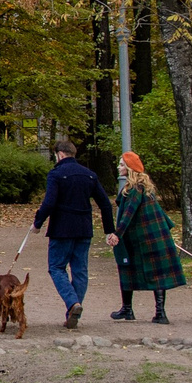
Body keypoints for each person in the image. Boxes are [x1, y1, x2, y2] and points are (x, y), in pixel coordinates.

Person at [32, 137, 116, 328]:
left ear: (60, 154)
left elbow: (49, 202)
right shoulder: (90, 175)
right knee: (80, 271)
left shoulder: (56, 174)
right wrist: (109, 230)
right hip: (84, 228)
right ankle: (74, 311)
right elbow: (105, 204)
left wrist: (38, 222)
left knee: (56, 267)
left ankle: (73, 303)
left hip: (62, 228)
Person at [109, 152, 186, 323]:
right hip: (155, 237)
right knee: (155, 273)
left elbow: (128, 214)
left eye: (122, 165)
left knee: (128, 268)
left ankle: (132, 310)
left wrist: (117, 234)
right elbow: (161, 215)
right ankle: (156, 313)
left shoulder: (135, 189)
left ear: (130, 169)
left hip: (143, 239)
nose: (118, 167)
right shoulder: (145, 188)